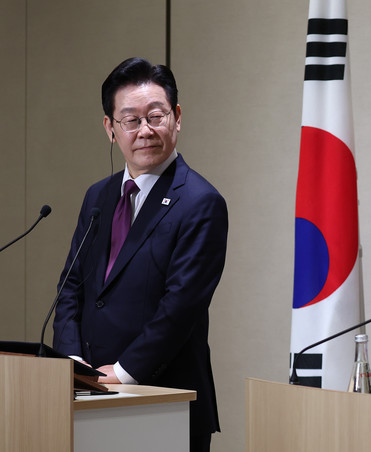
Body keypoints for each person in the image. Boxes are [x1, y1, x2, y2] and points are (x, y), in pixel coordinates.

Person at [53, 57, 228, 451]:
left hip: (164, 402)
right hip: (87, 400)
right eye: (131, 120)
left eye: (155, 116)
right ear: (110, 128)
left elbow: (180, 308)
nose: (145, 130)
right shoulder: (98, 196)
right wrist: (71, 363)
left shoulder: (201, 202)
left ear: (177, 117)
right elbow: (71, 288)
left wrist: (122, 373)